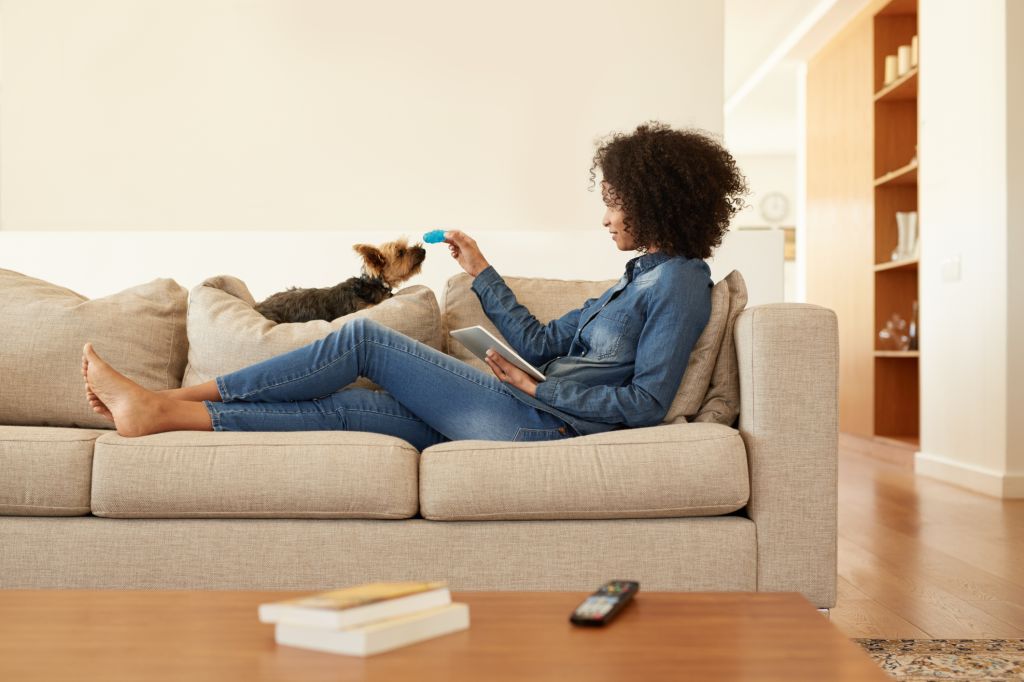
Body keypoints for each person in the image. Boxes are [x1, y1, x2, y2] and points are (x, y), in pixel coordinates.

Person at [81, 121, 747, 450]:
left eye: (614, 200)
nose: (606, 216)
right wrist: (480, 270)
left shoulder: (682, 285)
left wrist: (540, 388)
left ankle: (165, 396)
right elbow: (542, 340)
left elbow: (647, 402)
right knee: (342, 416)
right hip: (523, 408)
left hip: (541, 422)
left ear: (655, 199)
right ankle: (161, 414)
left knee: (365, 343)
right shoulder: (634, 280)